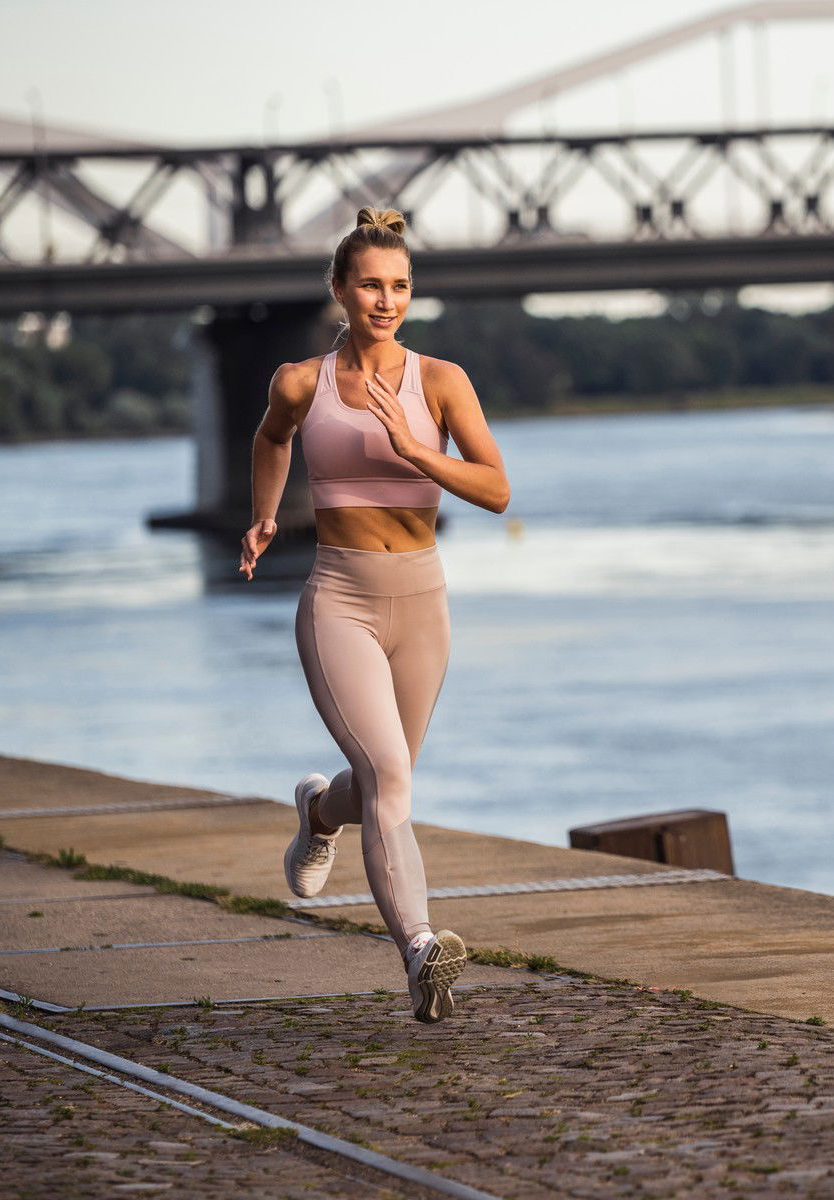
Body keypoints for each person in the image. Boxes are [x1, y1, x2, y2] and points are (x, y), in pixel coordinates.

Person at [236, 206, 511, 1023]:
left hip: (424, 600)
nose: (384, 300)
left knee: (385, 782)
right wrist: (264, 515)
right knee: (391, 779)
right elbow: (271, 439)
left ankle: (319, 811)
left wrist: (421, 451)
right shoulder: (300, 381)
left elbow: (496, 490)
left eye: (398, 286)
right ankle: (422, 951)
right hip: (340, 601)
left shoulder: (440, 381)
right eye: (369, 285)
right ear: (339, 290)